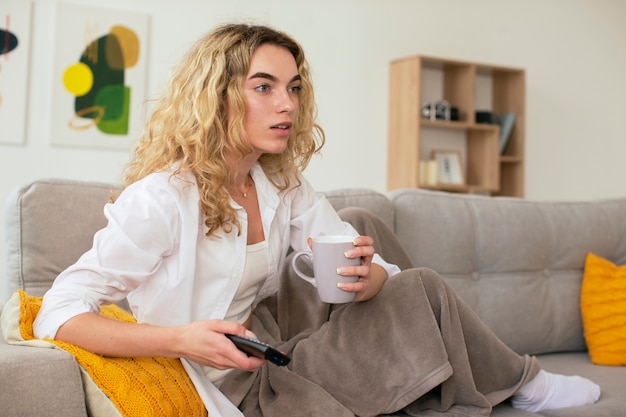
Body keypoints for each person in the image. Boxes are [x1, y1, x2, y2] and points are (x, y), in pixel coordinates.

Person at [34, 23, 600, 416]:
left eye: (294, 89)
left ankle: (494, 374)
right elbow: (57, 312)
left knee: (358, 222)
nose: (288, 104)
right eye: (264, 87)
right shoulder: (162, 199)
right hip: (236, 382)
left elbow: (365, 260)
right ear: (218, 98)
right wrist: (182, 339)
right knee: (422, 286)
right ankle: (524, 382)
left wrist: (370, 276)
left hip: (275, 337)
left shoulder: (279, 183)